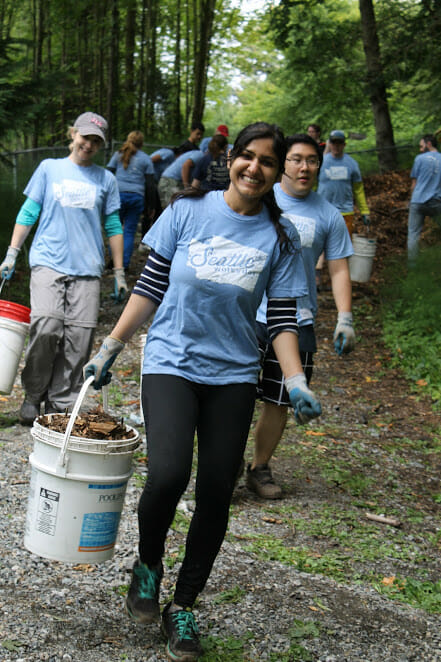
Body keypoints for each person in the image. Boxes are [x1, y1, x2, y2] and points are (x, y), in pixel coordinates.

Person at [83, 122, 321, 661]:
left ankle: (183, 606)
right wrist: (110, 348)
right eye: (248, 157)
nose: (255, 169)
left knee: (217, 489)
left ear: (278, 171)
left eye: (267, 162)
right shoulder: (188, 211)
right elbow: (150, 287)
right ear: (232, 159)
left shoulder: (279, 238)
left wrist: (296, 379)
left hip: (234, 372)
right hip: (171, 361)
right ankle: (147, 567)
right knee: (168, 472)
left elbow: (282, 318)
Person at [246, 133, 354, 499]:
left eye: (311, 160)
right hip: (247, 313)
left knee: (280, 399)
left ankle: (259, 467)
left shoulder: (328, 215)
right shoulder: (260, 198)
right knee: (233, 394)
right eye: (295, 159)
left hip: (298, 319)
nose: (304, 167)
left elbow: (338, 269)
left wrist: (345, 317)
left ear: (320, 165)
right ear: (282, 162)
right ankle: (223, 466)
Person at [0, 111, 126, 425]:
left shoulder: (105, 179)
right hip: (48, 261)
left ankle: (61, 402)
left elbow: (112, 224)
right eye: (85, 137)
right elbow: (29, 212)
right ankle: (33, 394)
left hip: (88, 267)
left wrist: (120, 272)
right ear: (73, 134)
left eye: (96, 141)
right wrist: (12, 254)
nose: (89, 145)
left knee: (80, 337)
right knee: (46, 324)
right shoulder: (50, 169)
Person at [107, 131, 156, 270]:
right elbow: (150, 185)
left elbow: (108, 173)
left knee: (114, 228)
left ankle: (114, 260)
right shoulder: (146, 159)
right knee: (129, 231)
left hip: (117, 196)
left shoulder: (118, 155)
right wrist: (151, 205)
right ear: (142, 143)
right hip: (136, 197)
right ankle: (125, 263)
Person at [317, 130, 370, 238]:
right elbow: (311, 186)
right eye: (333, 143)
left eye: (339, 143)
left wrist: (364, 211)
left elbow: (358, 190)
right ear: (329, 144)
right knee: (323, 248)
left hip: (345, 212)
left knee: (344, 248)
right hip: (324, 212)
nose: (336, 146)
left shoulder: (352, 164)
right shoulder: (320, 163)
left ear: (344, 145)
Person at [407, 133, 441, 264]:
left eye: (421, 146)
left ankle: (412, 267)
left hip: (417, 201)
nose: (420, 149)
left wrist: (410, 201)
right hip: (437, 202)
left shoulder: (419, 159)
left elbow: (414, 183)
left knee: (413, 235)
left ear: (429, 144)